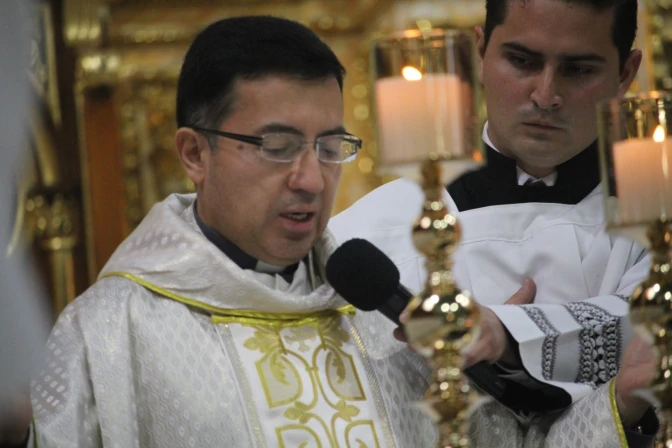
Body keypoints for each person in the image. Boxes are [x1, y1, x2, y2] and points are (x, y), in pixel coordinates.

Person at [15, 16, 437, 447]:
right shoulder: (108, 333)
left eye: (329, 149)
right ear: (195, 154)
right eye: (278, 148)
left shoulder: (381, 313)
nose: (312, 180)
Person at [330, 0, 660, 445]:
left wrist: (504, 335)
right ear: (481, 53)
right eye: (522, 61)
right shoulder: (369, 235)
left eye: (578, 70)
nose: (545, 96)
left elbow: (652, 334)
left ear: (625, 73)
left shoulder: (656, 217)